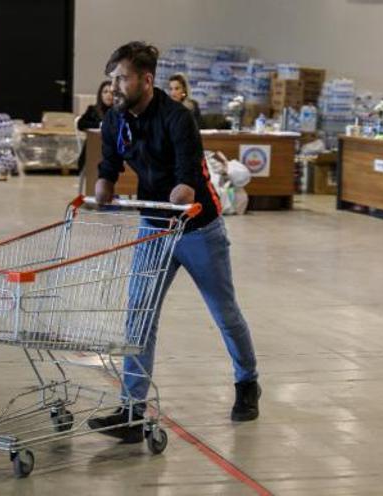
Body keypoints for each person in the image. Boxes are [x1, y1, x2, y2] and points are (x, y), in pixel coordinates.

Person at [88, 41, 260, 442]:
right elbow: (109, 164)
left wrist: (183, 190)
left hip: (198, 228)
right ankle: (132, 411)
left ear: (146, 80)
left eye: (123, 78)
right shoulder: (115, 119)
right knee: (139, 315)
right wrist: (104, 183)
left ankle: (247, 382)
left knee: (225, 313)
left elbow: (187, 172)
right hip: (154, 226)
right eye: (111, 78)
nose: (114, 86)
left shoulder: (177, 118)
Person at [76, 80, 113, 170]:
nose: (109, 95)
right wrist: (99, 125)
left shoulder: (120, 111)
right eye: (105, 92)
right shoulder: (93, 110)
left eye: (112, 92)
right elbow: (80, 124)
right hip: (94, 149)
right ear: (100, 95)